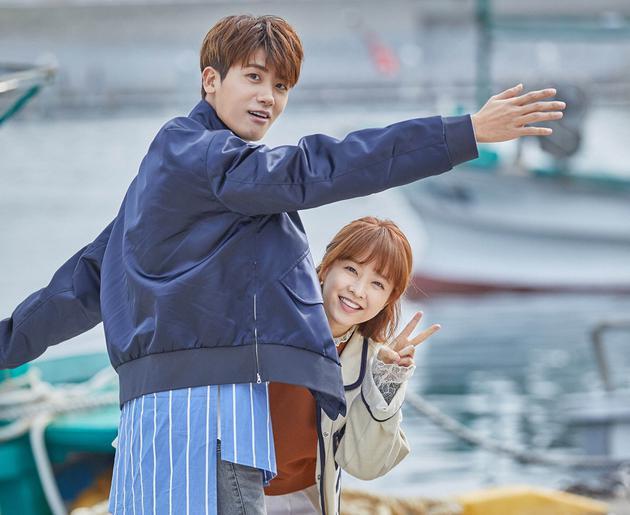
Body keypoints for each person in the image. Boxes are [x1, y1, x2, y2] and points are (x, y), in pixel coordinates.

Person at [0, 14, 564, 515]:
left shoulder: (169, 173)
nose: (268, 97)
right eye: (254, 77)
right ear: (210, 80)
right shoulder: (210, 158)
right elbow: (318, 168)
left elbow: (78, 286)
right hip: (214, 419)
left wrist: (6, 345)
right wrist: (462, 134)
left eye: (281, 86)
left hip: (150, 430)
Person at [264, 217, 435, 515]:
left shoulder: (374, 359)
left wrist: (385, 381)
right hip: (228, 489)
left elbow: (366, 465)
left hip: (306, 498)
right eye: (352, 270)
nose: (358, 290)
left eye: (378, 284)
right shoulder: (270, 313)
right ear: (326, 267)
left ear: (389, 300)